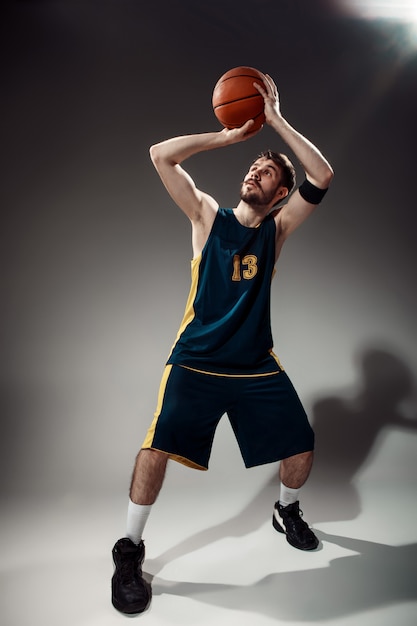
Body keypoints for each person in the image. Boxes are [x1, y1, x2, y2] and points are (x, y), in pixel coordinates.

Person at [111, 74, 334, 615]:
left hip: (254, 363)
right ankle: (129, 549)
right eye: (253, 167)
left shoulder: (275, 232)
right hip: (197, 360)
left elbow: (322, 174)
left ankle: (286, 511)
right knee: (155, 448)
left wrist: (275, 120)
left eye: (267, 172)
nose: (255, 173)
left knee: (301, 447)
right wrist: (228, 137)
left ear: (281, 194)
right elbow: (161, 156)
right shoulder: (207, 216)